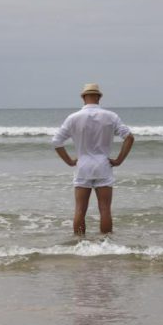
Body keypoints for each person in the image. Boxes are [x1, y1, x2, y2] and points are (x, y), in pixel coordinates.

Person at [52, 83, 135, 235]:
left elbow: (56, 141)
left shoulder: (73, 118)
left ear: (83, 98)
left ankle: (80, 244)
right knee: (105, 210)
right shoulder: (111, 116)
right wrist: (119, 160)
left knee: (80, 210)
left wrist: (69, 161)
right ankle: (106, 244)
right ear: (99, 97)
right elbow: (129, 137)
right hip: (103, 166)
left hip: (83, 167)